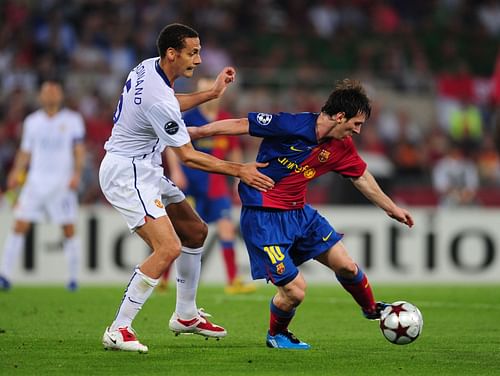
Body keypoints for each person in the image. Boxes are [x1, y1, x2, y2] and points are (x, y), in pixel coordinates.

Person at [188, 79, 414, 349]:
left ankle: (371, 310)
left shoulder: (342, 147)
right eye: (356, 123)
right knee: (295, 291)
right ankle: (277, 335)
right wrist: (197, 132)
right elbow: (241, 125)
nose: (358, 129)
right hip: (264, 217)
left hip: (300, 214)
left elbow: (362, 177)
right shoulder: (291, 124)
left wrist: (392, 208)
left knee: (347, 265)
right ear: (340, 116)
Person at [99, 23, 274, 353]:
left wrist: (211, 94)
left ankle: (186, 315)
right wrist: (240, 170)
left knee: (195, 231)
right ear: (172, 53)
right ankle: (119, 328)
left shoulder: (146, 68)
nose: (198, 59)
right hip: (128, 173)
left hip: (143, 168)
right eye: (193, 52)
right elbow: (189, 157)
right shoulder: (158, 99)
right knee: (167, 248)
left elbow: (169, 100)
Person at [161, 77, 256, 295]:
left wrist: (237, 179)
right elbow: (172, 144)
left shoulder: (225, 120)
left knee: (226, 228)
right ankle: (163, 278)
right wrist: (175, 171)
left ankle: (233, 280)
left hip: (216, 184)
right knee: (179, 231)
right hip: (191, 182)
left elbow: (234, 151)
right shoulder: (189, 118)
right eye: (203, 90)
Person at [0, 80, 85, 292]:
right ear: (40, 96)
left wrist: (76, 174)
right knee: (19, 225)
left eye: (55, 91)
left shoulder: (73, 120)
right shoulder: (32, 122)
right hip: (35, 182)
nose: (51, 95)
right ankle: (5, 274)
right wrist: (15, 172)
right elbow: (25, 152)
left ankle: (73, 278)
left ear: (61, 95)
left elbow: (79, 150)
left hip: (62, 184)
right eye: (47, 91)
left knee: (68, 228)